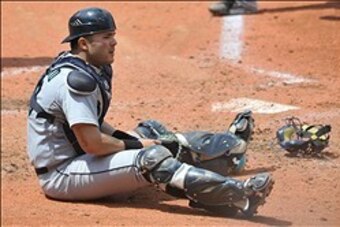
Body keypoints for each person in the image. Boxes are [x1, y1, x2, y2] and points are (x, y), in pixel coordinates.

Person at [27, 7, 274, 218]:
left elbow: (93, 123)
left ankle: (228, 155)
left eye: (113, 35)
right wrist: (138, 145)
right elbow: (92, 143)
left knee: (153, 132)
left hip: (82, 159)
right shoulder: (76, 81)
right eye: (107, 36)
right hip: (63, 174)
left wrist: (138, 139)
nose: (114, 42)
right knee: (152, 157)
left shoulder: (83, 66)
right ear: (84, 43)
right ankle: (239, 197)